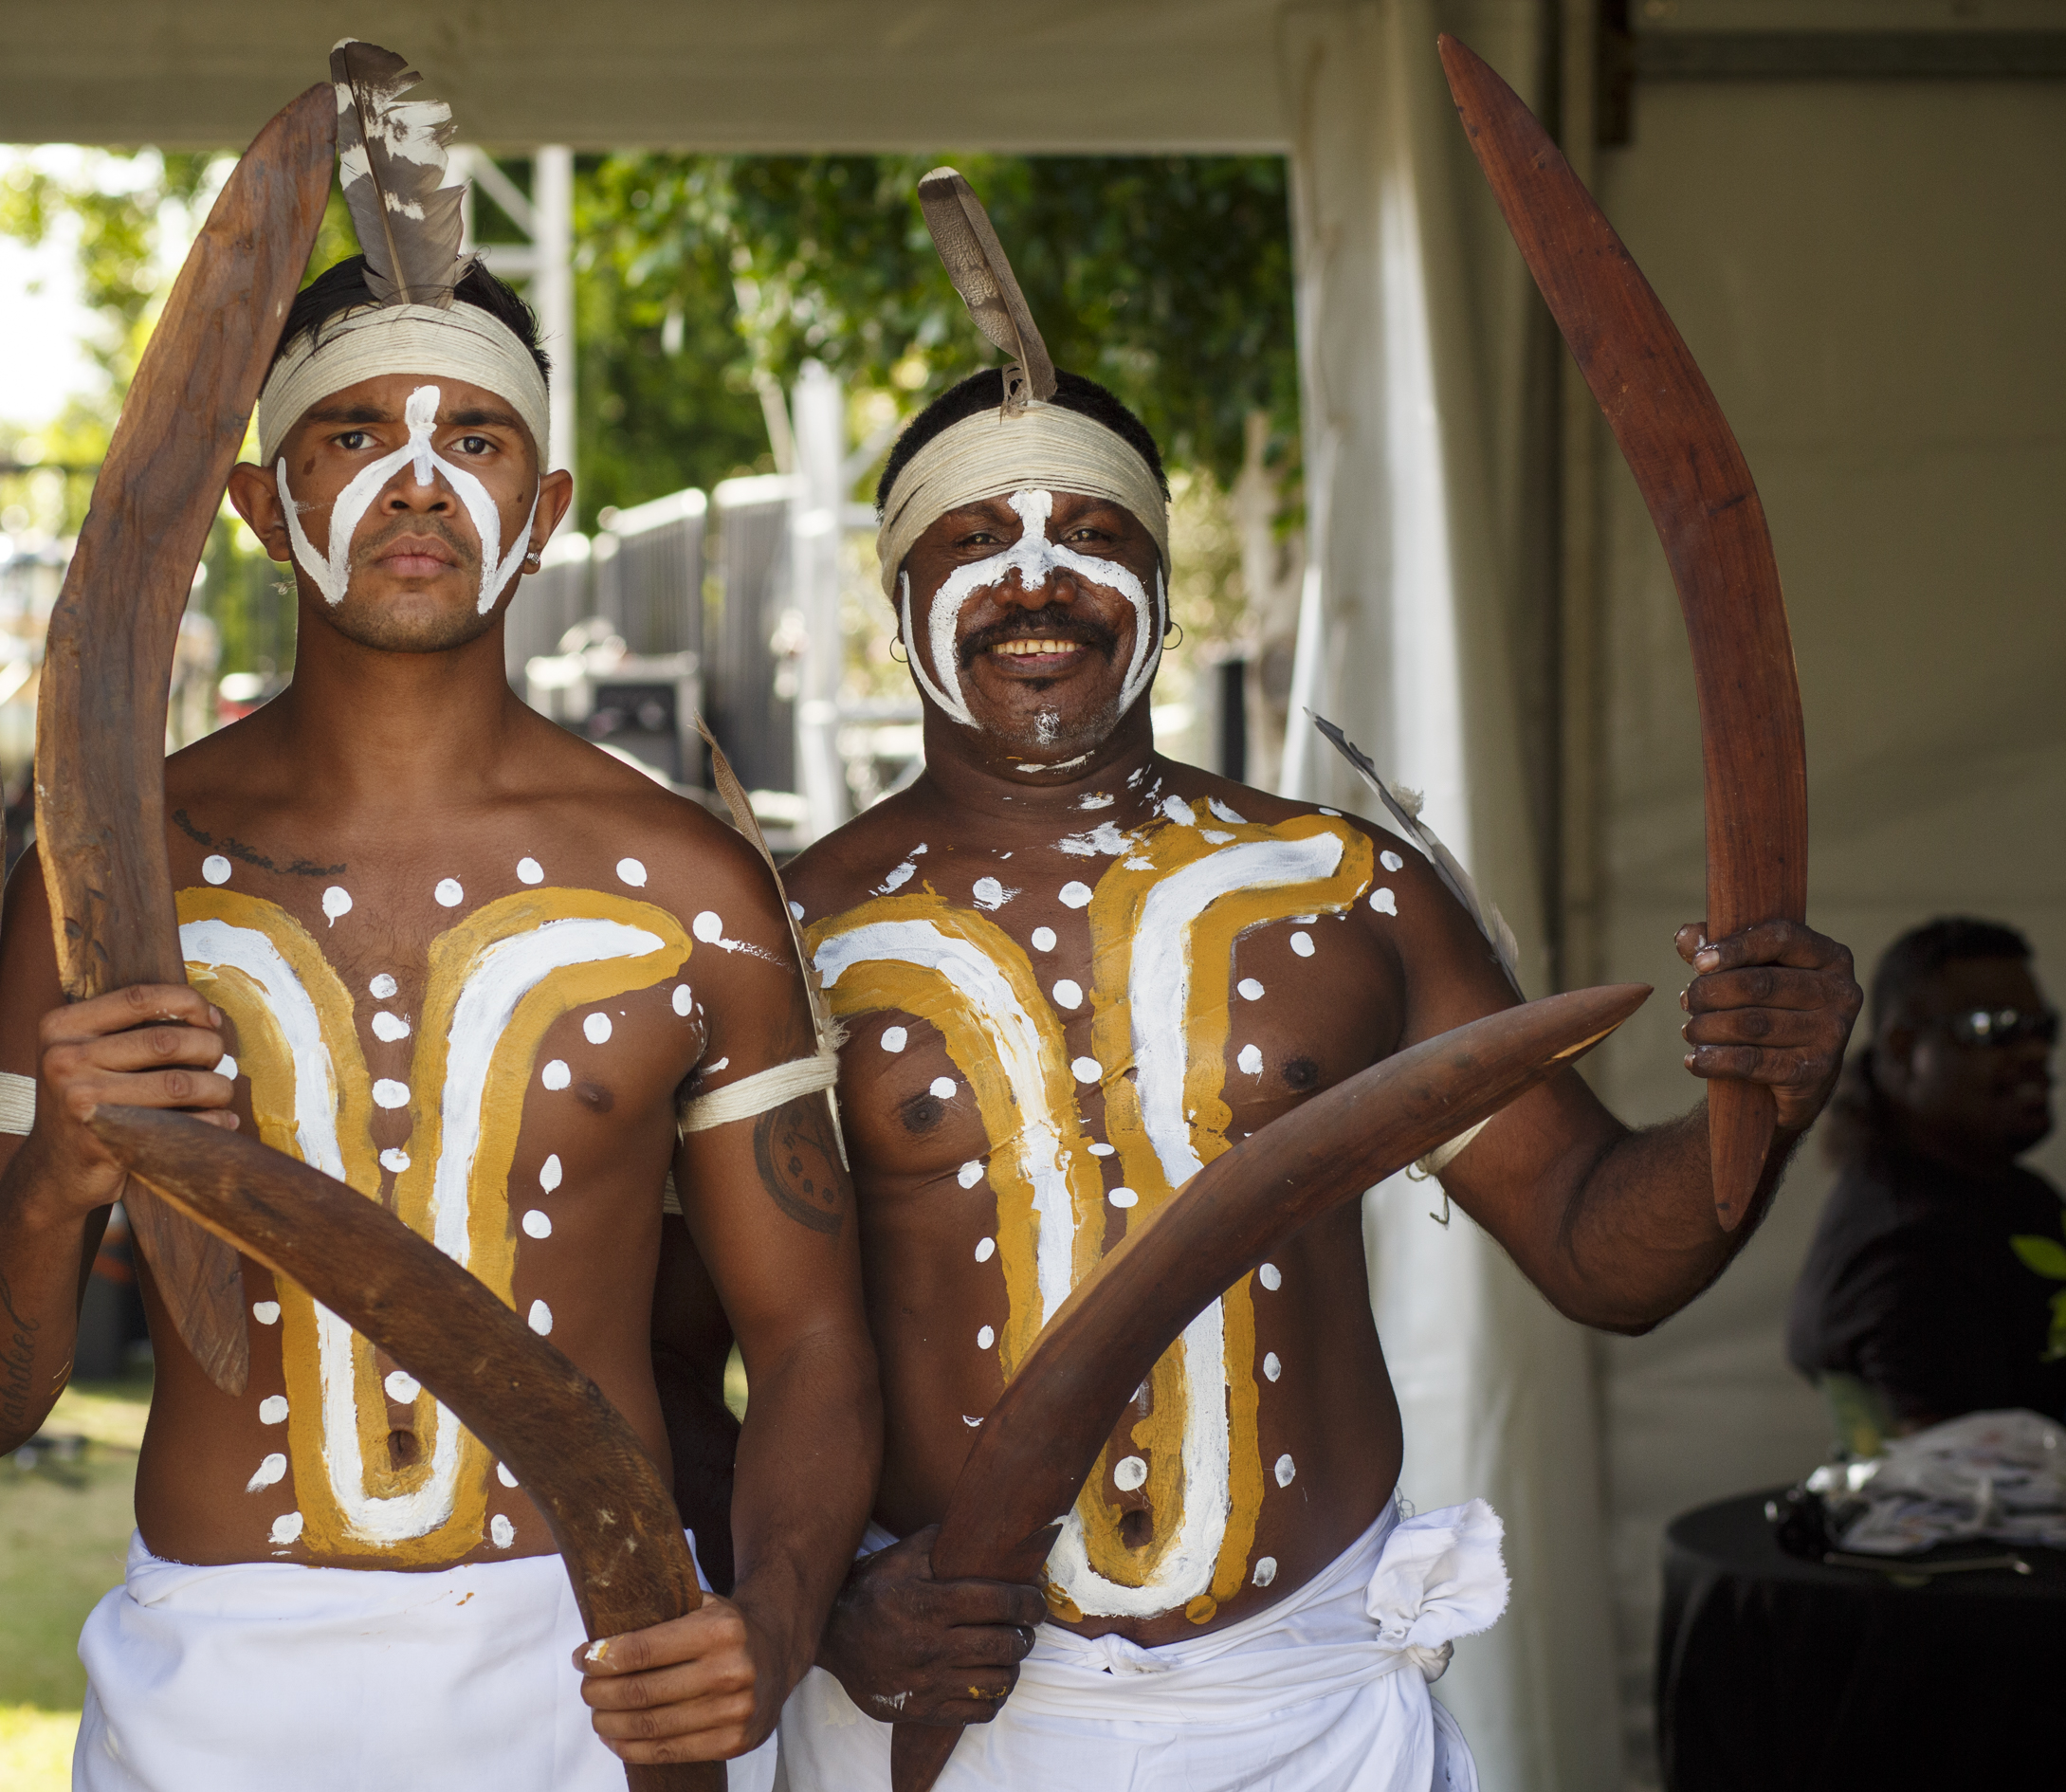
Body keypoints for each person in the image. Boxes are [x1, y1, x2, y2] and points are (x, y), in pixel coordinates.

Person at [757, 174, 1864, 1792]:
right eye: (976, 539)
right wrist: (829, 1603)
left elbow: (1596, 1254)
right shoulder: (784, 936)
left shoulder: (1344, 895)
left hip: (1305, 1713)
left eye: (1099, 537)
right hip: (937, 1718)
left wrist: (1763, 1096)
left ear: (1165, 586)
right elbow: (664, 1365)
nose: (1039, 580)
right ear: (901, 598)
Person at [0, 59, 878, 1790]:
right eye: (356, 434)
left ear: (544, 512)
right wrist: (63, 1169)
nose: (418, 485)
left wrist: (771, 1625)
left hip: (585, 1681)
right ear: (263, 506)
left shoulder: (692, 887)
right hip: (215, 1683)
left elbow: (808, 1340)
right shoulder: (108, 864)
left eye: (475, 438)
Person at [1787, 917, 2064, 1443]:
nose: (2035, 1053)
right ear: (1901, 1049)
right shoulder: (1905, 1252)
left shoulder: (2003, 1194)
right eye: (1995, 1028)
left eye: (2041, 1028)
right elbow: (1974, 1494)